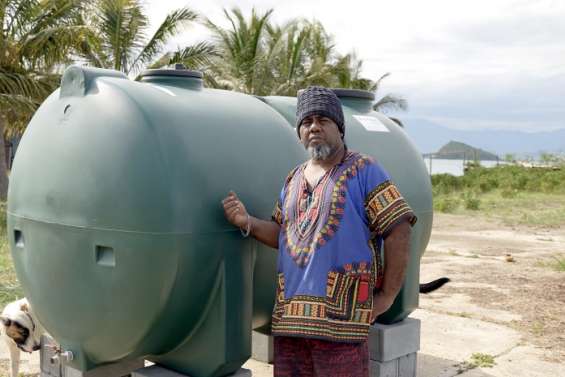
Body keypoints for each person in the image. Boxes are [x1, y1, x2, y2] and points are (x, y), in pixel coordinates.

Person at [222, 86, 416, 377]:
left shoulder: (365, 170)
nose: (314, 127)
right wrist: (246, 221)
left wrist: (388, 295)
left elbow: (398, 229)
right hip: (289, 324)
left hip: (342, 323)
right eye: (306, 122)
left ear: (340, 128)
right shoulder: (293, 179)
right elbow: (283, 234)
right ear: (299, 132)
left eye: (323, 120)